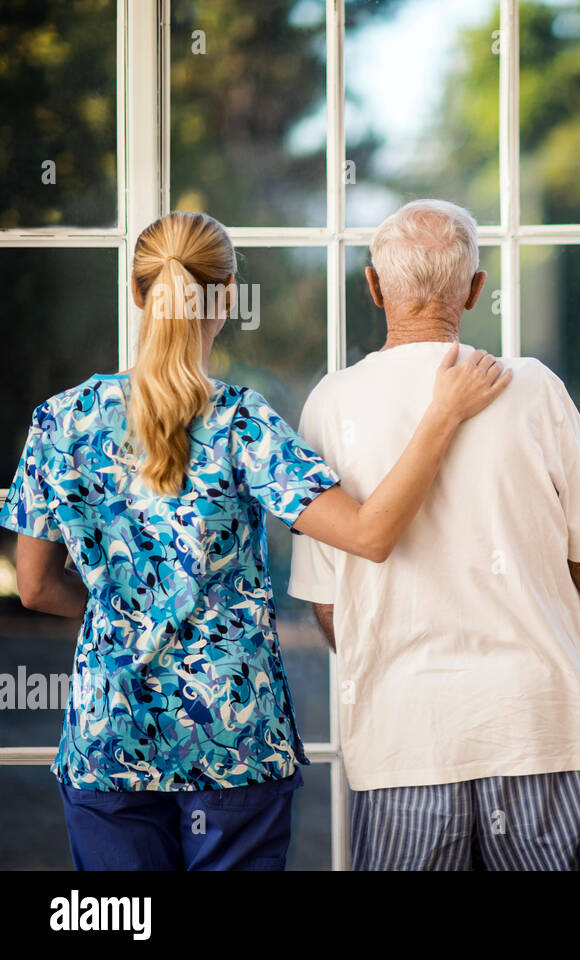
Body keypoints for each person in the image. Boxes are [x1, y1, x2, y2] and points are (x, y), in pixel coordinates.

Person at [0, 210, 510, 871]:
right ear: (230, 297)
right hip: (236, 742)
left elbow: (36, 586)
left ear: (136, 292)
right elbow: (370, 534)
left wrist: (128, 607)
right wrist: (443, 414)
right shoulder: (242, 423)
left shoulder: (59, 421)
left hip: (111, 736)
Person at [288, 199, 580, 871]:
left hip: (406, 741)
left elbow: (328, 604)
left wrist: (388, 657)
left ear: (375, 287)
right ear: (474, 288)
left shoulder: (331, 403)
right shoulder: (532, 389)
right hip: (540, 728)